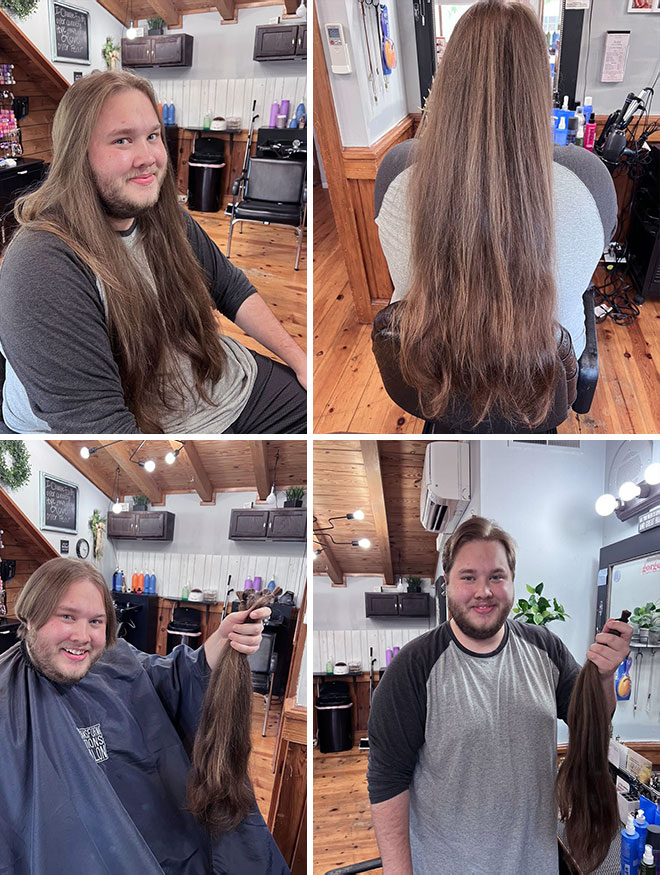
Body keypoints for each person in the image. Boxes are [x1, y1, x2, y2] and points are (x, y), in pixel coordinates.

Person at [0, 70, 306, 434]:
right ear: (76, 155)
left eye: (153, 136)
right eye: (123, 140)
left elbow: (230, 288)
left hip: (210, 381)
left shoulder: (164, 217)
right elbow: (104, 427)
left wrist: (300, 361)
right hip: (152, 427)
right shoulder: (44, 266)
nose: (148, 157)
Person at [373, 0, 617, 430]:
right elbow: (588, 262)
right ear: (540, 83)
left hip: (431, 372)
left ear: (447, 80)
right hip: (541, 383)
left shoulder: (397, 168)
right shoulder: (588, 178)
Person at [0, 558, 290, 874]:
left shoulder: (116, 660)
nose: (82, 636)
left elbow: (168, 678)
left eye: (96, 621)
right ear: (31, 616)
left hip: (162, 847)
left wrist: (220, 640)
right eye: (66, 616)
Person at [367, 516, 631, 874]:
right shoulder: (413, 669)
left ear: (511, 581)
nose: (484, 591)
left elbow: (592, 720)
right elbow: (387, 783)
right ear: (447, 583)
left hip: (536, 863)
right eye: (469, 577)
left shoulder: (545, 648)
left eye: (496, 577)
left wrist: (604, 676)